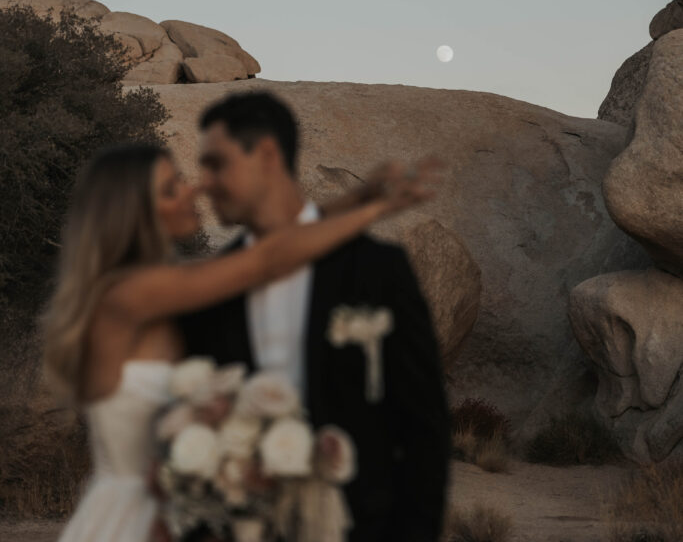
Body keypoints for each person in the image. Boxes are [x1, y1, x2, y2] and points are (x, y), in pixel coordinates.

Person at [42, 140, 437, 542]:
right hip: (137, 520)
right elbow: (265, 260)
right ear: (135, 213)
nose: (191, 190)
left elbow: (261, 248)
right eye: (171, 188)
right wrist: (377, 211)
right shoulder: (130, 293)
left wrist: (356, 198)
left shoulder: (149, 289)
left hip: (175, 511)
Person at [180, 91, 451, 542]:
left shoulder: (376, 271)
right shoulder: (210, 289)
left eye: (216, 164)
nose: (204, 182)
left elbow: (425, 425)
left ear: (266, 154)